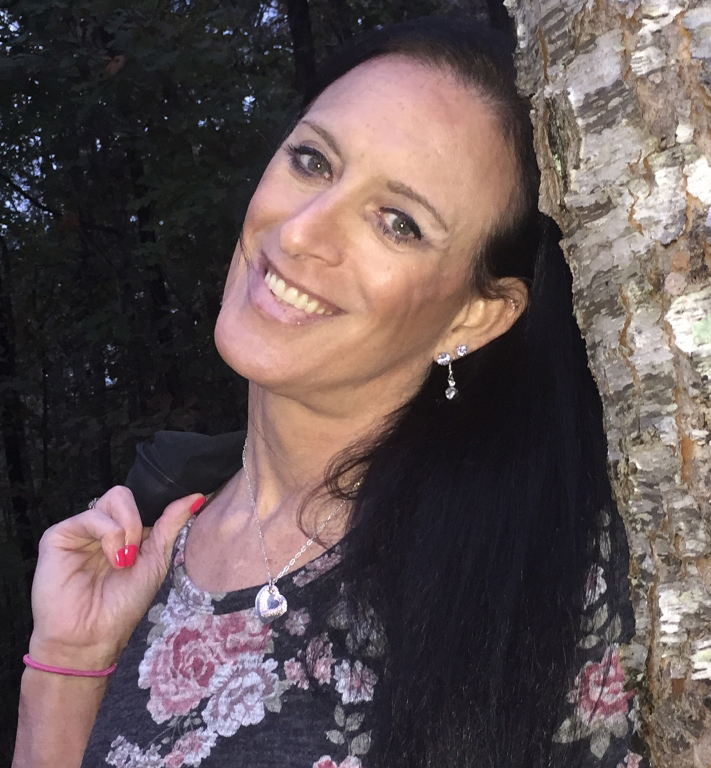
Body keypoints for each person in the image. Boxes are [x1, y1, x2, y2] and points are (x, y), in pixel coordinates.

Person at [13, 16, 645, 768]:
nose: (304, 232)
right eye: (312, 161)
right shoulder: (154, 543)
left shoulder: (539, 582)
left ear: (474, 316)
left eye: (398, 223)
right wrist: (69, 659)